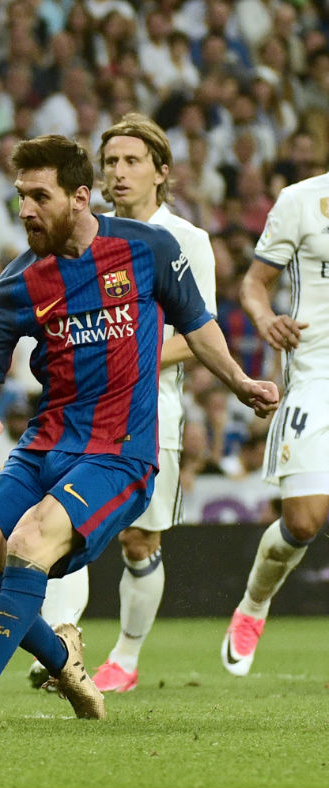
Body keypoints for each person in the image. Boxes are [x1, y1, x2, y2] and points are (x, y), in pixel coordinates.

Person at [0, 135, 278, 726]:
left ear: (80, 197)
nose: (25, 210)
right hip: (43, 447)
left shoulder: (147, 249)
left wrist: (240, 382)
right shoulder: (20, 281)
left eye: (39, 196)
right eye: (19, 197)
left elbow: (197, 323)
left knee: (28, 543)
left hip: (118, 452)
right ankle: (66, 663)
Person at [33, 114, 217, 693]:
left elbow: (199, 333)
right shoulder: (85, 233)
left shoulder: (187, 240)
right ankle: (61, 643)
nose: (119, 173)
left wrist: (126, 357)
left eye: (132, 161)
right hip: (81, 413)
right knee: (66, 526)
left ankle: (127, 658)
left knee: (141, 542)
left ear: (162, 173)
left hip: (153, 409)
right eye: (110, 162)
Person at [220, 156, 329, 676]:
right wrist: (264, 318)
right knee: (303, 521)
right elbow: (254, 284)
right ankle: (254, 605)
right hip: (317, 378)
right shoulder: (302, 201)